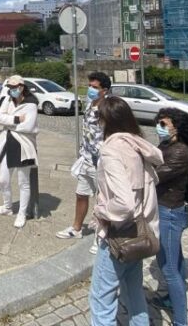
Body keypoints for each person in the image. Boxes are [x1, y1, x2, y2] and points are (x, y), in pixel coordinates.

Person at [88, 96, 164, 326]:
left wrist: (101, 210)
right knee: (133, 292)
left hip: (119, 234)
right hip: (142, 230)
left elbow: (124, 203)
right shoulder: (138, 145)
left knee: (101, 299)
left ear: (106, 121)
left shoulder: (112, 150)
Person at [153, 108, 188, 326]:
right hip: (165, 208)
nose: (159, 127)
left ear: (177, 128)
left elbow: (155, 175)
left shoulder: (180, 152)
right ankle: (170, 300)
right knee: (176, 261)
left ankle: (181, 321)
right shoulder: (167, 145)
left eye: (164, 124)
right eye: (158, 123)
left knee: (169, 268)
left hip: (170, 212)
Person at [57, 71, 111, 252]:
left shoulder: (107, 109)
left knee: (101, 201)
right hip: (86, 158)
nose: (90, 89)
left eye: (95, 87)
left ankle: (101, 236)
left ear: (104, 90)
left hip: (100, 161)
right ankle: (76, 228)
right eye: (89, 86)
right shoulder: (89, 104)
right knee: (81, 194)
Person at [0, 75, 38, 228]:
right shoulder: (8, 99)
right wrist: (16, 119)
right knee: (3, 179)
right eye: (10, 87)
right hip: (8, 142)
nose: (12, 89)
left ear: (21, 87)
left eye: (14, 87)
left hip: (23, 145)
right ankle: (7, 207)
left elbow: (28, 126)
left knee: (23, 182)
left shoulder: (31, 104)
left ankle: (22, 213)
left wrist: (8, 122)